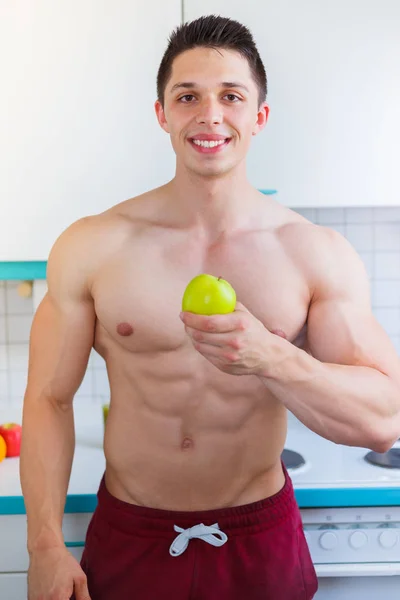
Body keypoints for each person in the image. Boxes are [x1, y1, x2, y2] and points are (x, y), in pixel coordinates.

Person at [21, 14, 400, 600]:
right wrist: (44, 543)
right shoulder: (93, 245)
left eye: (231, 96)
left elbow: (384, 420)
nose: (210, 114)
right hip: (131, 532)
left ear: (259, 117)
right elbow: (49, 398)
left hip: (259, 536)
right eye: (188, 96)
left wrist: (271, 354)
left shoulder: (312, 252)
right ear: (162, 114)